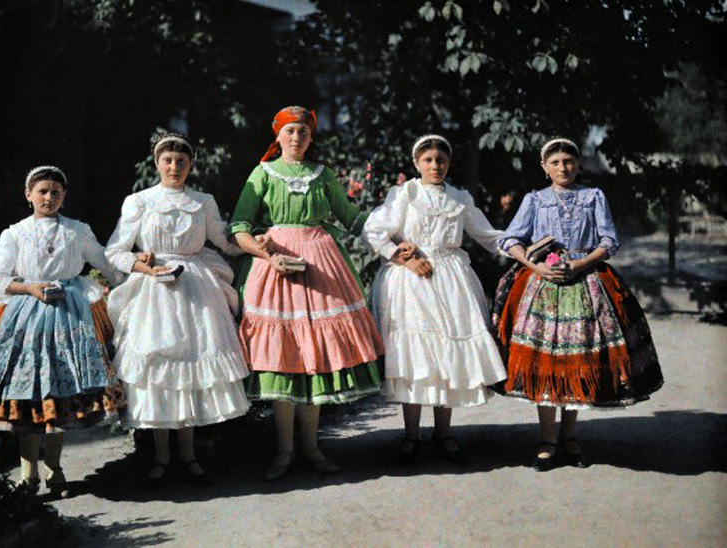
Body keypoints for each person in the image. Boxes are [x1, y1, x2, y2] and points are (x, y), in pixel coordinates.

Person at [0, 165, 125, 496]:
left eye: (55, 192)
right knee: (28, 396)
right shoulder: (15, 234)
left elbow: (106, 262)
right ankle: (28, 473)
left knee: (60, 395)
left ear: (64, 196)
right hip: (24, 316)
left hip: (71, 316)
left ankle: (55, 469)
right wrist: (31, 288)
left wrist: (132, 275)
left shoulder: (77, 231)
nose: (49, 197)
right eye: (42, 191)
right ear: (29, 195)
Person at [230, 106, 384, 480]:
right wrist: (266, 254)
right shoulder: (262, 173)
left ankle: (312, 447)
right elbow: (239, 226)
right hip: (275, 266)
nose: (296, 138)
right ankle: (284, 451)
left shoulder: (322, 175)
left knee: (313, 356)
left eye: (303, 132)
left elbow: (351, 217)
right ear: (277, 137)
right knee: (285, 355)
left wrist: (395, 228)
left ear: (311, 138)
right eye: (289, 132)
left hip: (322, 266)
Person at [493, 137, 664, 471]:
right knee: (545, 362)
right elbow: (510, 239)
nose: (563, 168)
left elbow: (609, 241)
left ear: (578, 164)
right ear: (544, 168)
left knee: (576, 358)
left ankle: (569, 437)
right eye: (555, 162)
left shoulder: (593, 197)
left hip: (586, 283)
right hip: (541, 286)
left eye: (568, 161)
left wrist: (580, 264)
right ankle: (546, 439)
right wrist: (536, 266)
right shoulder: (534, 200)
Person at [105, 133, 250, 484]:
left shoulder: (203, 202)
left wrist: (258, 241)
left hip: (197, 289)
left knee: (192, 367)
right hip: (154, 289)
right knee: (161, 368)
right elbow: (115, 251)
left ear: (191, 165)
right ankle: (160, 456)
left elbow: (226, 243)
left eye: (181, 162)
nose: (174, 167)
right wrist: (143, 265)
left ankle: (189, 455)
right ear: (157, 164)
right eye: (168, 161)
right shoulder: (139, 201)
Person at [363, 134, 507, 462]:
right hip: (411, 281)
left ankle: (443, 433)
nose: (435, 166)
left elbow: (489, 236)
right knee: (415, 356)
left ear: (448, 163)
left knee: (448, 353)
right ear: (416, 163)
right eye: (427, 160)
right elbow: (374, 231)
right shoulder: (405, 194)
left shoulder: (459, 198)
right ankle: (411, 435)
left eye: (440, 160)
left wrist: (523, 247)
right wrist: (399, 256)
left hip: (452, 278)